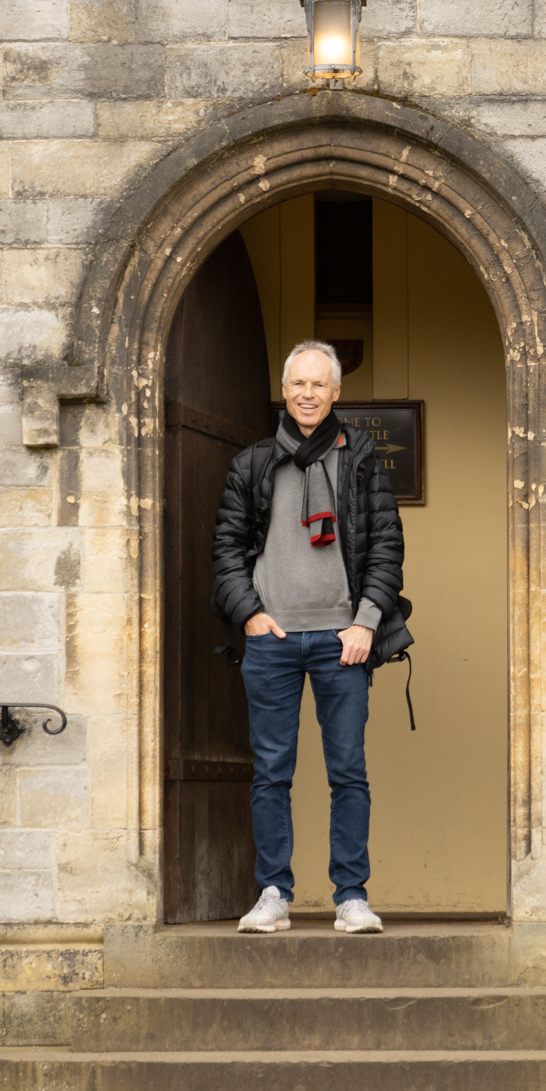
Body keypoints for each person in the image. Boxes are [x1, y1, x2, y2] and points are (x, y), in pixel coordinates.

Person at [211, 340, 404, 935]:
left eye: (319, 385)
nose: (308, 394)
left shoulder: (362, 459)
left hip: (343, 642)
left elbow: (387, 550)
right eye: (298, 384)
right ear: (285, 389)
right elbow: (226, 548)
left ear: (336, 392)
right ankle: (274, 893)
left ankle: (351, 896)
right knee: (271, 771)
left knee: (348, 771)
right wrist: (249, 614)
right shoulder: (253, 463)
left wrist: (366, 623)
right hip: (272, 640)